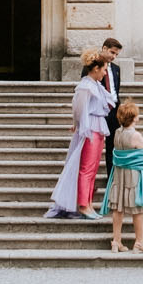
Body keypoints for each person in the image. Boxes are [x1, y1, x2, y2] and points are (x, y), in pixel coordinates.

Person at [47, 53, 114, 218]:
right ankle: (83, 205)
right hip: (89, 127)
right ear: (96, 68)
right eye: (104, 69)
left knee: (92, 168)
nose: (105, 73)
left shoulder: (95, 85)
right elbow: (78, 108)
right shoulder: (86, 86)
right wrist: (78, 125)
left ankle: (88, 203)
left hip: (96, 126)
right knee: (86, 168)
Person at [106, 98, 143, 254]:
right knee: (137, 210)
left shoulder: (117, 133)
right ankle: (139, 242)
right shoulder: (136, 136)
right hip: (133, 176)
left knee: (118, 209)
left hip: (119, 175)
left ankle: (116, 241)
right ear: (134, 117)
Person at [95, 37, 124, 197]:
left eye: (116, 54)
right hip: (98, 111)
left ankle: (111, 176)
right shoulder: (92, 66)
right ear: (104, 48)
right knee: (96, 145)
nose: (113, 56)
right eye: (112, 52)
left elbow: (115, 90)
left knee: (112, 146)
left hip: (114, 111)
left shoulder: (116, 69)